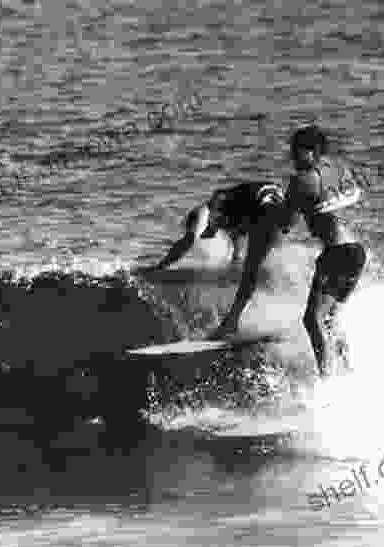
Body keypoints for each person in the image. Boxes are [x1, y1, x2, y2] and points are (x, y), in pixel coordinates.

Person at [210, 125, 369, 378]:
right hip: (356, 252)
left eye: (296, 152)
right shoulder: (336, 167)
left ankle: (327, 381)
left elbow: (286, 223)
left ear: (311, 152)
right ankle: (348, 370)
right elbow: (350, 192)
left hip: (337, 254)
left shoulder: (302, 181)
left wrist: (268, 211)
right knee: (330, 320)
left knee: (313, 320)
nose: (292, 158)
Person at [150, 181, 285, 270]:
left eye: (207, 233)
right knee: (264, 239)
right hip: (273, 194)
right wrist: (235, 264)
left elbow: (187, 241)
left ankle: (268, 267)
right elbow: (239, 234)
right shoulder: (232, 216)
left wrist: (160, 267)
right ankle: (271, 267)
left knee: (266, 237)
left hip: (266, 196)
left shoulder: (209, 212)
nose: (208, 236)